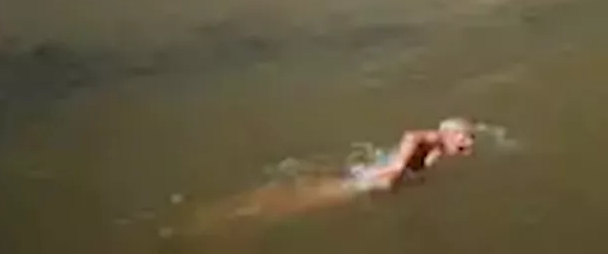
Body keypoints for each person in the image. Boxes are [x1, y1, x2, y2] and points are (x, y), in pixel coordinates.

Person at [181, 118, 477, 234]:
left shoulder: (439, 151)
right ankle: (219, 218)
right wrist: (396, 170)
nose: (468, 144)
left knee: (304, 197)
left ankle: (224, 215)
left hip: (369, 178)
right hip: (369, 178)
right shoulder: (433, 138)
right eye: (464, 138)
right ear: (449, 132)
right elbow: (411, 135)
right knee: (303, 201)